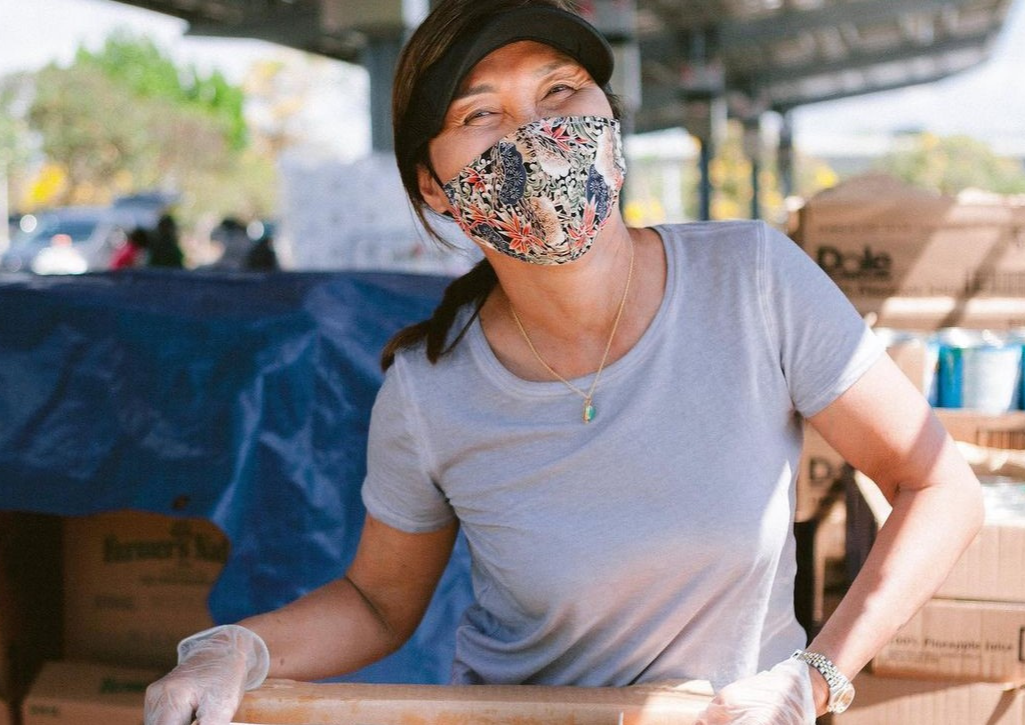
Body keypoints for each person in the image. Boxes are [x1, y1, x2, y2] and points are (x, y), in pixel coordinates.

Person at [144, 1, 984, 723]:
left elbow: (936, 482)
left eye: (557, 92)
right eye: (481, 115)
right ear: (435, 186)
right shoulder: (431, 390)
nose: (535, 135)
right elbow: (377, 601)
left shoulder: (752, 281)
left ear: (607, 117)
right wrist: (237, 649)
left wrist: (815, 677)